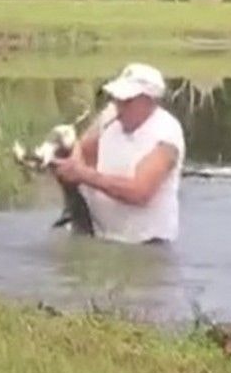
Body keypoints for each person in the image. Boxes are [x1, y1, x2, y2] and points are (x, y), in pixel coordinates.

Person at [51, 62, 185, 244]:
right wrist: (71, 169)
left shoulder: (166, 136)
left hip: (145, 247)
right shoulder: (110, 115)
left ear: (150, 101)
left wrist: (84, 175)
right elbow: (83, 148)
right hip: (99, 236)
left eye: (127, 101)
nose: (119, 105)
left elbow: (140, 192)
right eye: (117, 98)